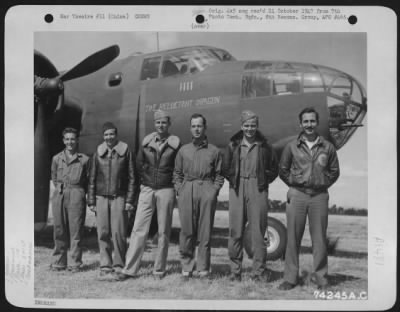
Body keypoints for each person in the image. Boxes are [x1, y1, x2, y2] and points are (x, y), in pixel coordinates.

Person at [114, 110, 181, 281]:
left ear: (169, 123)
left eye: (164, 122)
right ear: (154, 124)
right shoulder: (146, 144)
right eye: (158, 122)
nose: (161, 125)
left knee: (163, 230)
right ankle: (130, 269)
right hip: (147, 189)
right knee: (138, 228)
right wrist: (145, 182)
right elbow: (139, 165)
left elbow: (178, 168)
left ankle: (159, 269)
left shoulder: (175, 144)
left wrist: (173, 185)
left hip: (166, 189)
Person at [278, 107, 340, 290]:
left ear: (317, 123)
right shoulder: (291, 146)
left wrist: (322, 183)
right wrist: (294, 182)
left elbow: (335, 172)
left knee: (319, 239)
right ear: (300, 124)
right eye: (306, 121)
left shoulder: (327, 147)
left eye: (312, 121)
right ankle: (290, 278)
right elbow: (283, 169)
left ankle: (320, 277)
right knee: (292, 238)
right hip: (297, 195)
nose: (309, 125)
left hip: (319, 196)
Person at [223, 111, 278, 281]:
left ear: (257, 126)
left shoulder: (265, 146)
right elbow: (225, 167)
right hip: (237, 188)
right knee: (235, 231)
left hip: (258, 188)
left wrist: (263, 180)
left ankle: (259, 271)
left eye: (253, 125)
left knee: (259, 232)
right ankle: (235, 271)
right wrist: (234, 180)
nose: (250, 129)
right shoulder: (233, 145)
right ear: (241, 126)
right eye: (246, 125)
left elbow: (274, 168)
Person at [173, 113, 224, 280]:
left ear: (205, 128)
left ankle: (203, 268)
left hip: (206, 189)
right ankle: (186, 266)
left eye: (199, 126)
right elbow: (177, 173)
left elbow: (219, 175)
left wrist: (213, 191)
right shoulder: (183, 150)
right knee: (187, 230)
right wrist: (180, 189)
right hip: (188, 189)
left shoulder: (214, 151)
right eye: (194, 126)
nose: (196, 129)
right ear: (190, 128)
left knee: (205, 231)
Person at [87, 122, 137, 280]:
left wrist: (129, 200)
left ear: (116, 135)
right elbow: (92, 178)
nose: (109, 137)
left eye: (111, 134)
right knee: (103, 232)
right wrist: (91, 200)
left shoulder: (126, 150)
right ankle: (105, 265)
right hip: (101, 198)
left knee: (119, 233)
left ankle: (119, 265)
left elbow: (133, 177)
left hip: (119, 197)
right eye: (106, 135)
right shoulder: (98, 152)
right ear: (103, 136)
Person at [50, 127, 89, 272]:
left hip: (77, 192)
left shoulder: (84, 160)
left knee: (75, 229)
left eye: (72, 139)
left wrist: (78, 191)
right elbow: (54, 177)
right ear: (63, 140)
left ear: (77, 140)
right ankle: (59, 262)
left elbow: (88, 180)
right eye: (67, 139)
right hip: (60, 193)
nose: (70, 142)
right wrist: (61, 188)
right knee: (59, 229)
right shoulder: (56, 158)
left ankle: (74, 263)